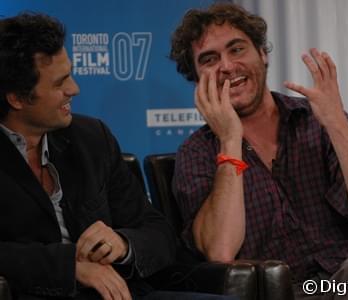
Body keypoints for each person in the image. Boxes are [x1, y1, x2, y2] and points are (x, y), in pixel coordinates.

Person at [170, 3, 348, 299]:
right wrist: (229, 140)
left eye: (237, 49)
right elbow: (222, 249)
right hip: (292, 293)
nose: (227, 66)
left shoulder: (319, 121)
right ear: (197, 80)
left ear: (263, 54)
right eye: (210, 59)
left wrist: (336, 123)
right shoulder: (197, 153)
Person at [0, 12, 237, 300]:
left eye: (71, 73)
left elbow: (158, 231)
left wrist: (124, 244)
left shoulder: (91, 137)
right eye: (60, 82)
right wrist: (71, 267)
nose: (74, 88)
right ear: (17, 98)